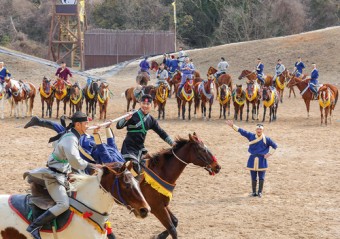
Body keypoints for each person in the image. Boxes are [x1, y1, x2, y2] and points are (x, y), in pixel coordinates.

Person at [25, 112, 96, 239]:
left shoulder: (73, 136)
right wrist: (90, 166)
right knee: (63, 204)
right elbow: (75, 160)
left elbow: (68, 160)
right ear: (78, 124)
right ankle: (34, 226)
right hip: (54, 177)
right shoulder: (71, 139)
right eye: (86, 123)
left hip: (63, 174)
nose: (87, 125)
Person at [24, 116, 125, 165]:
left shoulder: (113, 164)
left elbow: (102, 150)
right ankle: (39, 121)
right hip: (91, 142)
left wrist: (96, 133)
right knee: (66, 131)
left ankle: (39, 121)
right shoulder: (118, 161)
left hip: (87, 149)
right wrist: (107, 127)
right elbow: (112, 143)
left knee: (66, 132)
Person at [116, 94, 174, 176]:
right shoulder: (133, 115)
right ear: (140, 104)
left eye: (148, 104)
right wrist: (125, 119)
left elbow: (161, 132)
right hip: (129, 148)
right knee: (133, 167)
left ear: (151, 105)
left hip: (140, 149)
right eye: (143, 103)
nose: (145, 106)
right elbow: (118, 126)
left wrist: (172, 143)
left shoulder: (151, 120)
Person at [226, 120, 278, 198]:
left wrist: (269, 154)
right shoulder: (251, 136)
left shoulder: (267, 139)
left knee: (261, 177)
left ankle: (260, 192)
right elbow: (242, 131)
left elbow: (275, 146)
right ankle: (254, 192)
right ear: (255, 130)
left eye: (260, 129)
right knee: (253, 177)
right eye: (258, 129)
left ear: (262, 130)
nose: (259, 131)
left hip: (262, 160)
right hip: (252, 159)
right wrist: (233, 126)